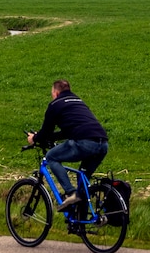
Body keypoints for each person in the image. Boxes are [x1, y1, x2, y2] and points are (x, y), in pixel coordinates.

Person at [28, 79, 109, 211]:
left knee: (51, 157)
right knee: (82, 182)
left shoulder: (55, 104)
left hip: (84, 142)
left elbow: (46, 131)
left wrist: (35, 138)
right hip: (102, 143)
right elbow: (68, 131)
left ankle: (70, 193)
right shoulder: (78, 101)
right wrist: (48, 137)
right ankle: (80, 222)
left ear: (55, 92)